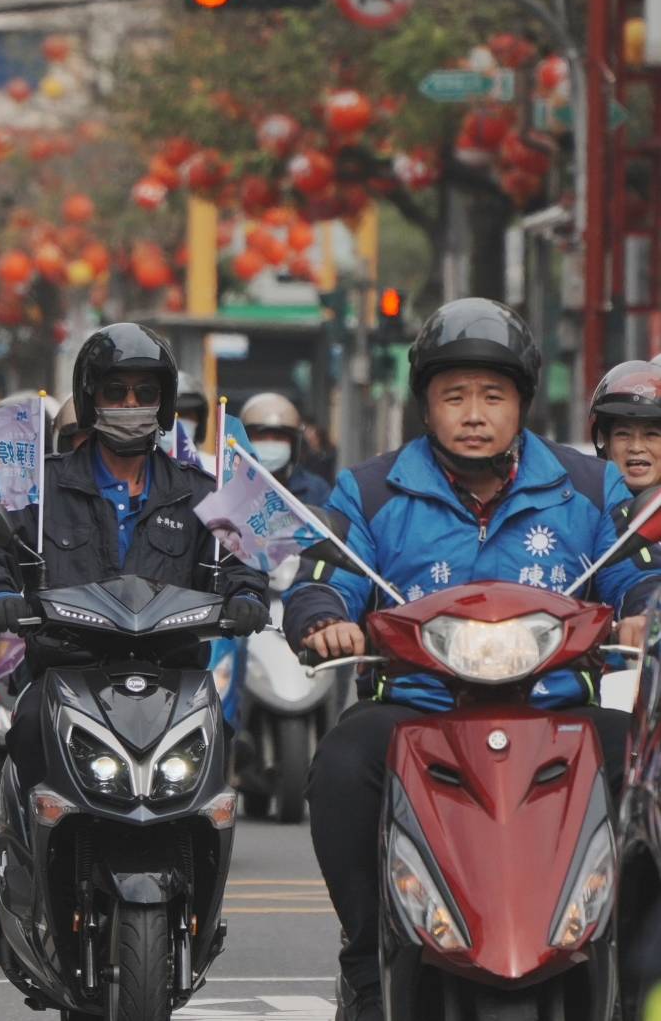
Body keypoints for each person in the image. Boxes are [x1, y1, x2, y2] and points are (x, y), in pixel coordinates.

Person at [282, 298, 658, 1021]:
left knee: (641, 767)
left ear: (521, 402)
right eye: (454, 396)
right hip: (416, 709)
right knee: (338, 762)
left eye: (493, 395)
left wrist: (648, 610)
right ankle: (366, 963)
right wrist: (324, 619)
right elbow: (323, 577)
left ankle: (635, 970)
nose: (474, 413)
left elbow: (635, 567)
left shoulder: (586, 486)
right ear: (426, 404)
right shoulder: (368, 489)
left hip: (557, 711)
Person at [0, 322, 269, 791]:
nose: (130, 404)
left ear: (163, 403)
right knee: (26, 731)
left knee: (217, 738)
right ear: (89, 399)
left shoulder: (202, 492)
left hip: (173, 681)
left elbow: (241, 560)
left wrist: (246, 595)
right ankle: (27, 856)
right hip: (67, 674)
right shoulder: (37, 487)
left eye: (145, 392)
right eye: (115, 391)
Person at [238, 392, 331, 506]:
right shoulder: (228, 486)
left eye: (278, 437)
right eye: (260, 437)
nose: (270, 444)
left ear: (294, 444)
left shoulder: (315, 490)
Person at [589, 359, 661, 493]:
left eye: (651, 434)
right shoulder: (587, 508)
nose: (636, 447)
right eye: (623, 434)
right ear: (607, 443)